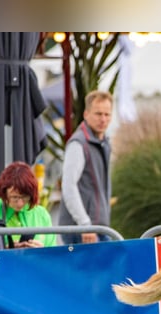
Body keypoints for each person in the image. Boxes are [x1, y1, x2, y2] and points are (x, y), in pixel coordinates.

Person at [58, 90, 113, 244]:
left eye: (107, 114)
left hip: (97, 228)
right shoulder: (78, 144)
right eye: (98, 114)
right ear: (86, 114)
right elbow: (68, 186)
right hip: (82, 232)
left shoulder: (104, 143)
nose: (103, 119)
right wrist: (84, 225)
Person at [0, 161, 56, 248]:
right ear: (4, 193)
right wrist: (5, 250)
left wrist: (42, 251)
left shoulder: (42, 215)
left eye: (25, 197)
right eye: (14, 197)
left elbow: (53, 255)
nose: (20, 203)